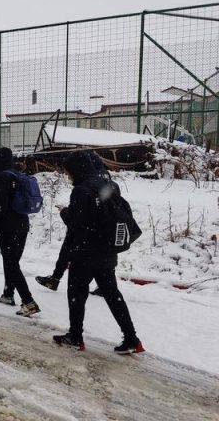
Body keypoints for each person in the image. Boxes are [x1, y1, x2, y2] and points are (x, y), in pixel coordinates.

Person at [53, 150, 144, 354]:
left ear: (76, 170)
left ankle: (75, 337)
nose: (68, 176)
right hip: (107, 252)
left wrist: (64, 212)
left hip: (85, 252)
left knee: (76, 294)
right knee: (113, 295)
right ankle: (132, 338)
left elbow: (77, 224)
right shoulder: (109, 185)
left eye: (68, 172)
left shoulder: (81, 190)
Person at [35, 152, 109, 294]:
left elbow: (75, 220)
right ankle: (101, 285)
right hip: (99, 230)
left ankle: (58, 279)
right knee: (100, 262)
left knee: (70, 248)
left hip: (87, 230)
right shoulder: (103, 179)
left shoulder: (87, 183)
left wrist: (66, 212)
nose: (68, 176)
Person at [0, 147, 40, 317]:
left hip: (8, 226)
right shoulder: (16, 175)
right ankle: (8, 294)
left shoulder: (1, 177)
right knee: (12, 262)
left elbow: (1, 205)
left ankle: (28, 302)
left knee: (11, 264)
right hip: (23, 224)